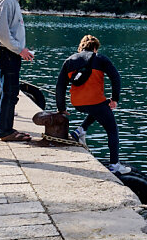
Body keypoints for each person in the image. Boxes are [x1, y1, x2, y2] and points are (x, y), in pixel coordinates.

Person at [55, 34, 130, 174]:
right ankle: (114, 165)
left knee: (100, 107)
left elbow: (60, 86)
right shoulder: (100, 58)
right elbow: (116, 77)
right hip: (95, 102)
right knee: (112, 129)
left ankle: (80, 130)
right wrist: (115, 99)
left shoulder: (69, 61)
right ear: (95, 48)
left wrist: (61, 108)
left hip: (77, 103)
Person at [0, 0, 40, 142]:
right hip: (7, 54)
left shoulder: (13, 2)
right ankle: (5, 131)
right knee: (8, 91)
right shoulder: (6, 2)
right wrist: (20, 50)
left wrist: (20, 49)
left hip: (10, 53)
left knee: (11, 92)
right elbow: (1, 32)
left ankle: (7, 128)